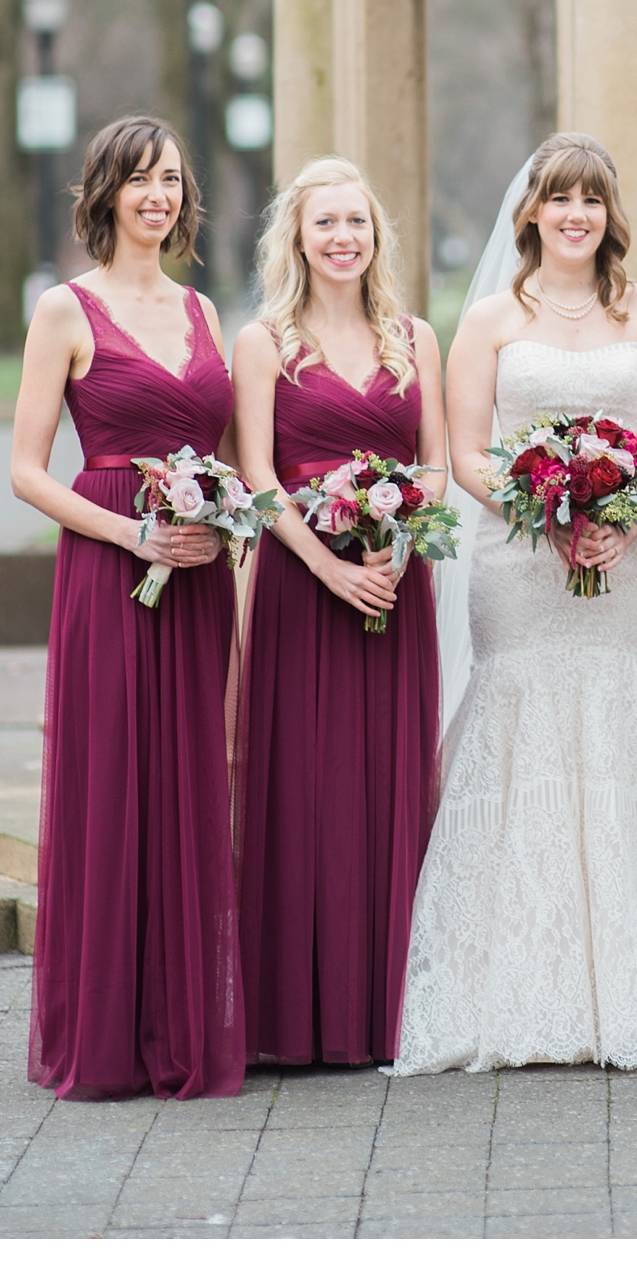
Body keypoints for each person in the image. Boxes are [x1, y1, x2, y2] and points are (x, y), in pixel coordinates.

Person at [392, 133, 637, 1074]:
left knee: (618, 721)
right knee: (521, 729)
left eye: (591, 199)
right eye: (559, 199)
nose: (575, 215)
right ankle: (509, 991)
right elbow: (467, 451)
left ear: (609, 214)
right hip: (519, 564)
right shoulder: (492, 321)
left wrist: (627, 515)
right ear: (533, 213)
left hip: (619, 563)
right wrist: (533, 508)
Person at [11, 118, 243, 1099]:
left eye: (170, 180)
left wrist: (217, 516)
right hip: (110, 565)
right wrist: (129, 535)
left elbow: (224, 451)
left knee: (189, 781)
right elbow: (25, 471)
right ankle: (104, 1030)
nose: (156, 194)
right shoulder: (64, 311)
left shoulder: (202, 311)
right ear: (106, 191)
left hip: (196, 568)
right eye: (139, 179)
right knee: (112, 781)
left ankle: (179, 1020)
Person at [232, 160, 443, 1067]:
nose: (343, 238)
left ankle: (385, 1009)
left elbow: (433, 463)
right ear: (297, 238)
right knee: (305, 785)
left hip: (395, 586)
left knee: (389, 781)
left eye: (356, 221)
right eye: (325, 224)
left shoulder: (415, 338)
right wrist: (324, 564)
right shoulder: (263, 342)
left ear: (375, 234)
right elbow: (256, 476)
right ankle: (296, 1017)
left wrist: (402, 543)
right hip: (300, 586)